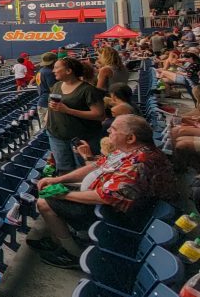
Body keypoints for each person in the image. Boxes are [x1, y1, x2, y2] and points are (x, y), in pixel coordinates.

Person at [28, 115, 176, 268]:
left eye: (113, 130)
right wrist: (57, 180)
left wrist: (64, 194)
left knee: (44, 202)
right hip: (105, 200)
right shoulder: (128, 151)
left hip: (117, 216)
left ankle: (72, 254)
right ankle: (60, 239)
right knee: (51, 190)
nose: (108, 132)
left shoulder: (139, 162)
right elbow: (96, 166)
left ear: (131, 138)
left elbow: (106, 197)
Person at [46, 57, 106, 173]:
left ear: (69, 71)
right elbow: (52, 106)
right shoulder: (57, 86)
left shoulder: (88, 90)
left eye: (57, 68)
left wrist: (68, 110)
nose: (53, 71)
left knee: (85, 170)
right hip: (56, 136)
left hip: (83, 139)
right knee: (64, 170)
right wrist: (47, 121)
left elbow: (100, 115)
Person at [36, 52, 59, 123]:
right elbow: (53, 90)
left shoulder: (41, 71)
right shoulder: (49, 72)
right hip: (48, 104)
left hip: (42, 102)